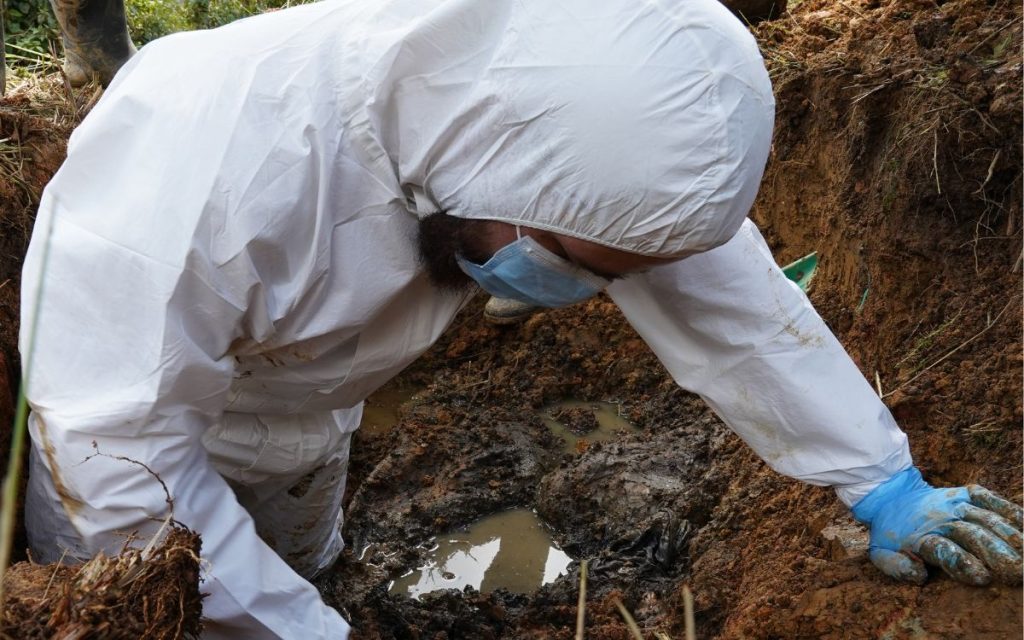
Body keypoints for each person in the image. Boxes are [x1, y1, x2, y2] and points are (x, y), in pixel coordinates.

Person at [20, 1, 1021, 638]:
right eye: (579, 267)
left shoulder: (566, 146)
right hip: (135, 438)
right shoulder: (204, 187)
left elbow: (735, 306)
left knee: (306, 564)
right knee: (163, 610)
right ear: (494, 168)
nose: (578, 294)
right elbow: (119, 459)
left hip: (308, 405)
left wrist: (877, 477)